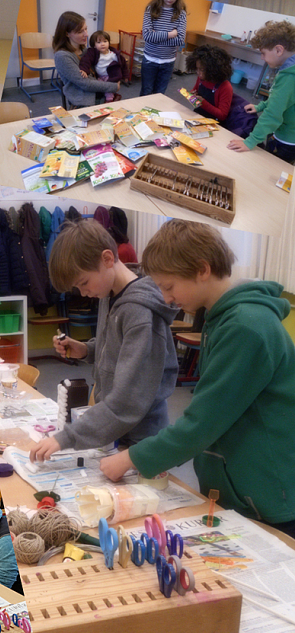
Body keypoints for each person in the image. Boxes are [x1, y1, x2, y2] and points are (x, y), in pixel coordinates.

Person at [99, 219, 295, 532]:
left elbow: (203, 421)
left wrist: (132, 458)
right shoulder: (222, 317)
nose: (166, 298)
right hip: (240, 481)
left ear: (202, 269)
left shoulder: (245, 326)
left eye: (168, 286)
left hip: (266, 492)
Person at [30, 219, 177, 461]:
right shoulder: (110, 294)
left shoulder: (139, 311)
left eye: (84, 283)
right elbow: (119, 347)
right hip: (115, 431)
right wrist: (86, 349)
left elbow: (129, 399)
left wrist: (65, 438)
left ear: (107, 259)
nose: (83, 292)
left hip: (141, 439)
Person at [228, 21, 295, 162]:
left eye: (263, 53)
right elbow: (283, 99)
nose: (262, 58)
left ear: (279, 50)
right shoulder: (290, 68)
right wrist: (261, 106)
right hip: (287, 132)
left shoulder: (289, 77)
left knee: (271, 167)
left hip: (286, 140)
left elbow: (273, 115)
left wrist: (250, 141)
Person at [185, 45, 257, 137]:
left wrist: (203, 103)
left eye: (202, 70)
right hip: (198, 116)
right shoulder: (201, 78)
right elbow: (195, 90)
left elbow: (222, 115)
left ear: (213, 70)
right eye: (197, 68)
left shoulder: (225, 87)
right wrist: (192, 94)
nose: (198, 73)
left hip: (213, 124)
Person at [52, 12, 119, 109]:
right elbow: (85, 83)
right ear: (67, 33)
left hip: (99, 92)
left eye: (86, 29)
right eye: (80, 32)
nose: (86, 34)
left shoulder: (85, 50)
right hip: (84, 101)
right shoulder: (62, 56)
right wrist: (114, 86)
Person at [140, 0, 187, 97]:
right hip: (150, 60)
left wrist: (156, 37)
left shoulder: (181, 14)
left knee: (160, 94)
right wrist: (171, 34)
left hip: (168, 62)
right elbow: (147, 36)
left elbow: (179, 41)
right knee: (146, 92)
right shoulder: (151, 9)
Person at [79, 30, 127, 102]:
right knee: (98, 89)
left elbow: (123, 64)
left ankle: (109, 100)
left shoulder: (113, 54)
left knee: (108, 90)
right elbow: (86, 61)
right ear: (94, 45)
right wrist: (84, 69)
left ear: (109, 43)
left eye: (105, 41)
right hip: (100, 76)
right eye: (99, 42)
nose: (103, 44)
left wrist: (125, 76)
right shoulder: (93, 53)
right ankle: (109, 97)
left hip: (111, 76)